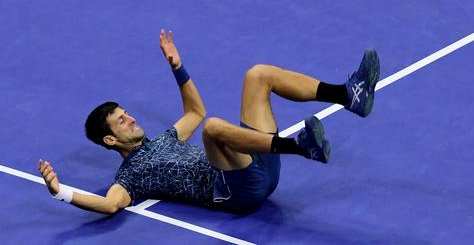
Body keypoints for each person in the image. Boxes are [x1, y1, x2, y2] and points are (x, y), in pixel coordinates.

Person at [38, 30, 380, 214]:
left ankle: (349, 95)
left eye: (126, 113)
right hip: (236, 193)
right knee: (214, 129)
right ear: (110, 141)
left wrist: (177, 68)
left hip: (255, 165)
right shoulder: (129, 177)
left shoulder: (164, 140)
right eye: (121, 121)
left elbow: (194, 112)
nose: (131, 118)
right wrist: (60, 193)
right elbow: (109, 205)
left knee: (258, 75)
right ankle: (299, 146)